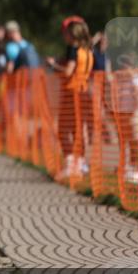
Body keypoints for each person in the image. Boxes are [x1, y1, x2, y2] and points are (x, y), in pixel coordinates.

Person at [46, 18, 94, 181]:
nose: (64, 35)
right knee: (78, 131)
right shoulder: (87, 50)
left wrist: (53, 65)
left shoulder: (72, 49)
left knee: (64, 130)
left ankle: (70, 165)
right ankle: (79, 164)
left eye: (66, 33)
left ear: (72, 34)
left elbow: (68, 71)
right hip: (84, 92)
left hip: (72, 93)